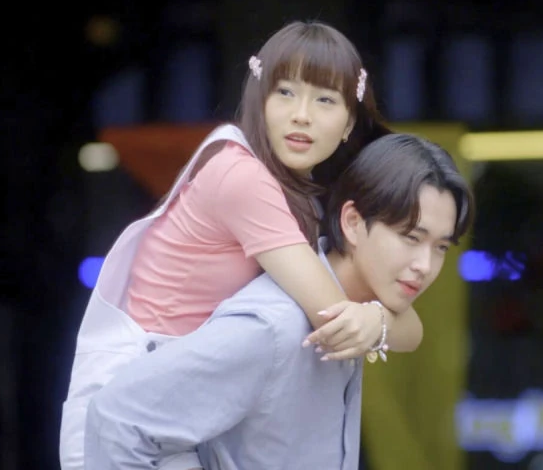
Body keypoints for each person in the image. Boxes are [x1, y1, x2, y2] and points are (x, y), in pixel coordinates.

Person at [59, 21, 425, 470]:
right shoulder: (243, 178)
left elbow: (404, 328)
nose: (301, 114)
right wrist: (376, 320)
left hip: (183, 416)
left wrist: (376, 320)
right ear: (259, 100)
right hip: (133, 428)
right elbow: (334, 319)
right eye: (285, 92)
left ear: (348, 122)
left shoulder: (300, 195)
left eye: (325, 100)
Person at [84, 132, 475, 469]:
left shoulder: (356, 315)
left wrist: (378, 322)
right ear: (353, 223)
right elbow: (117, 419)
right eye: (411, 237)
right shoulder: (274, 328)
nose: (425, 265)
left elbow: (411, 332)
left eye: (440, 247)